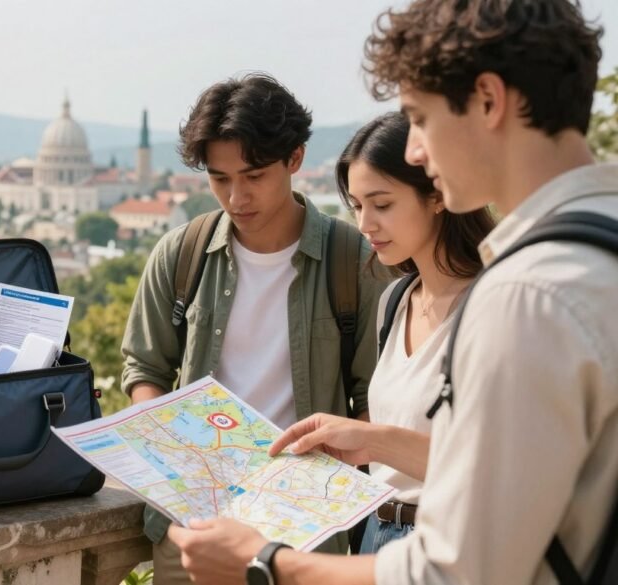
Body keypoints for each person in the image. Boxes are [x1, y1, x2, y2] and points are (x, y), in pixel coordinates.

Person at [168, 1, 618, 583]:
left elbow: (455, 573)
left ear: (488, 100)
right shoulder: (595, 245)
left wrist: (265, 562)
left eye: (421, 118)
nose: (415, 152)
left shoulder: (526, 294)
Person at [120, 72, 389, 583]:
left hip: (307, 534)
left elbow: (374, 390)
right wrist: (172, 454)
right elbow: (144, 367)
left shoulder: (352, 259)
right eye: (220, 179)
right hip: (194, 530)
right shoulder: (182, 254)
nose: (236, 197)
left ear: (294, 159)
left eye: (253, 175)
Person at [336, 111, 494, 553]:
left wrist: (371, 441)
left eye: (381, 204)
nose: (365, 223)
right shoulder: (394, 302)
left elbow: (499, 470)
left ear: (438, 194)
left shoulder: (494, 305)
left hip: (452, 544)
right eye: (357, 206)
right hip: (377, 536)